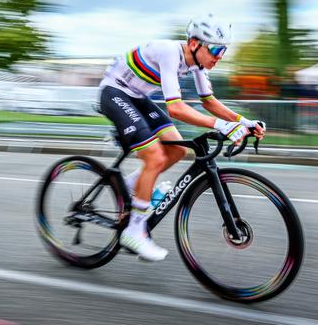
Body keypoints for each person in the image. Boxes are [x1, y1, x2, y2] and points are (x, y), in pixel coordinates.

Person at [98, 13, 265, 261]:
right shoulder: (169, 52)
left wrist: (242, 122)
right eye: (217, 50)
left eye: (224, 51)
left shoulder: (197, 64)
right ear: (195, 44)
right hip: (114, 92)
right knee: (154, 157)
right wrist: (223, 126)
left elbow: (209, 102)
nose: (219, 57)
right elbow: (175, 108)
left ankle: (134, 186)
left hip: (137, 97)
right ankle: (134, 230)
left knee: (177, 149)